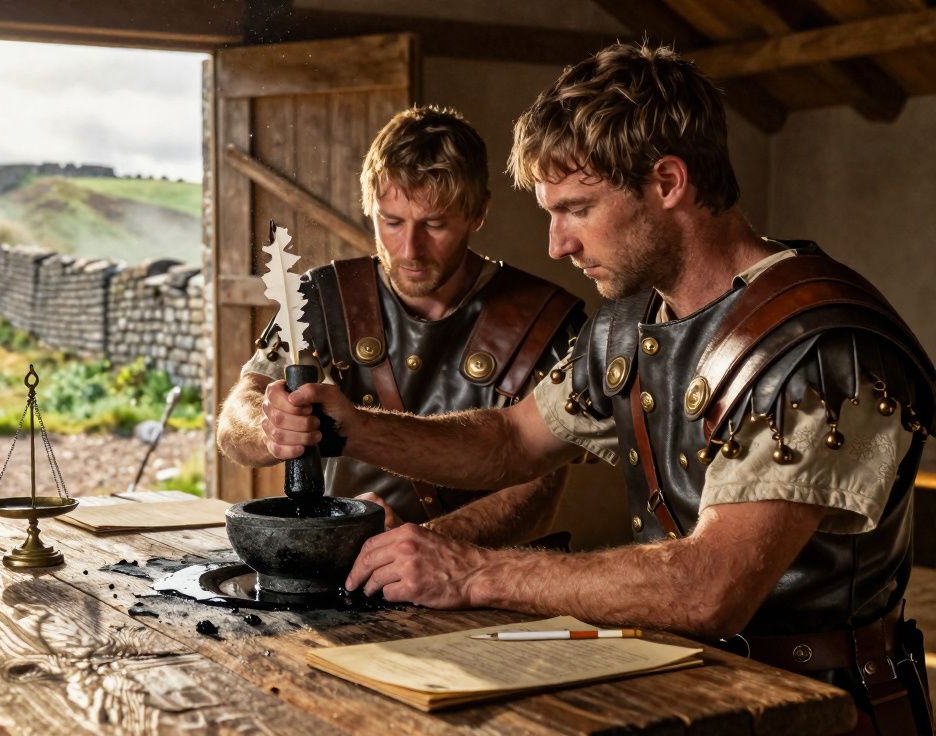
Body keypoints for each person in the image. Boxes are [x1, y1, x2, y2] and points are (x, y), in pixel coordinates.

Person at [261, 44, 934, 734]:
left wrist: (470, 572)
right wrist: (349, 425)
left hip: (815, 713)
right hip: (682, 693)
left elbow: (711, 588)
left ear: (668, 182)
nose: (557, 244)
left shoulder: (818, 345)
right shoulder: (631, 322)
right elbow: (510, 439)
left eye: (577, 209)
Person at [217, 105, 585, 543]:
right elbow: (236, 421)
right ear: (369, 207)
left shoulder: (544, 318)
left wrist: (425, 542)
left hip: (486, 578)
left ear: (478, 213)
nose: (410, 249)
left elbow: (537, 492)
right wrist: (269, 425)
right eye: (391, 222)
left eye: (435, 224)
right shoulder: (321, 296)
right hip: (344, 562)